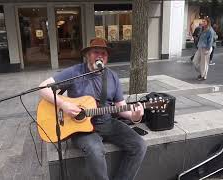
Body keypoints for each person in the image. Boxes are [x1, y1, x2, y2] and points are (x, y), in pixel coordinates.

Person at [39, 37, 147, 180]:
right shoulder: (74, 72)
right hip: (81, 129)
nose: (100, 56)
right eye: (96, 52)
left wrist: (135, 117)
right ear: (87, 55)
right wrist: (64, 105)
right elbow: (43, 88)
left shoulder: (112, 77)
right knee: (96, 151)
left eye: (104, 54)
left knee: (139, 145)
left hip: (107, 123)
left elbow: (121, 107)